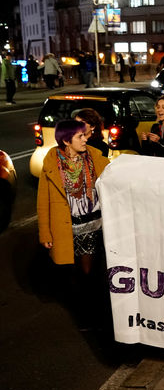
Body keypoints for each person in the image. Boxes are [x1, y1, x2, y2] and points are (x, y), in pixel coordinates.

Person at [37, 119, 110, 329]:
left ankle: (91, 315)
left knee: (90, 272)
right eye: (80, 136)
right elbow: (43, 201)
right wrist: (45, 234)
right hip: (68, 229)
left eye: (85, 135)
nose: (85, 138)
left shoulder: (95, 158)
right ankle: (87, 312)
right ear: (67, 140)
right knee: (74, 273)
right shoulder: (51, 163)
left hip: (95, 225)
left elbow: (117, 175)